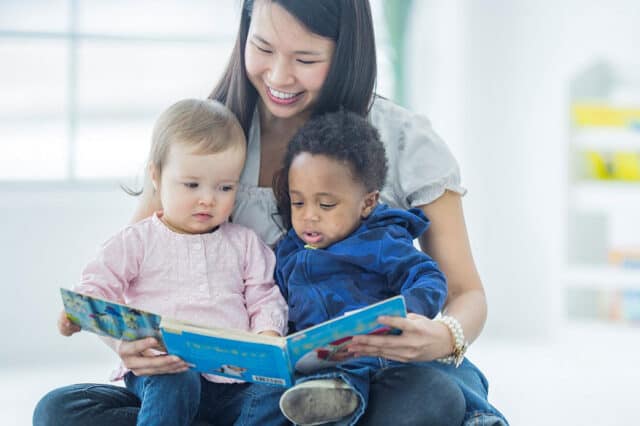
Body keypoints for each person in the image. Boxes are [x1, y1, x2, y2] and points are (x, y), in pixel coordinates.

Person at [35, 1, 508, 425]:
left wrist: (445, 337)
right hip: (221, 379)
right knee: (60, 411)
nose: (279, 77)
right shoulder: (209, 136)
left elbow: (467, 293)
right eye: (262, 47)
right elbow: (134, 263)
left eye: (305, 59)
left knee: (431, 396)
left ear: (346, 54)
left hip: (353, 376)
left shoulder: (404, 139)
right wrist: (127, 345)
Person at [41, 98, 290, 426]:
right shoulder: (137, 241)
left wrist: (268, 335)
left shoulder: (244, 243)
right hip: (161, 378)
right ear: (156, 177)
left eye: (225, 187)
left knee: (282, 394)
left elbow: (264, 296)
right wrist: (79, 315)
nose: (207, 198)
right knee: (56, 408)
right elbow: (96, 289)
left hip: (234, 385)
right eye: (191, 184)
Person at [270, 109, 454, 425]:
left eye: (326, 205)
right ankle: (331, 401)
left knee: (450, 376)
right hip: (319, 361)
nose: (309, 216)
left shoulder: (380, 240)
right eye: (298, 203)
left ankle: (480, 418)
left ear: (367, 203)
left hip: (380, 352)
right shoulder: (288, 251)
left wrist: (403, 311)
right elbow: (274, 299)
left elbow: (428, 277)